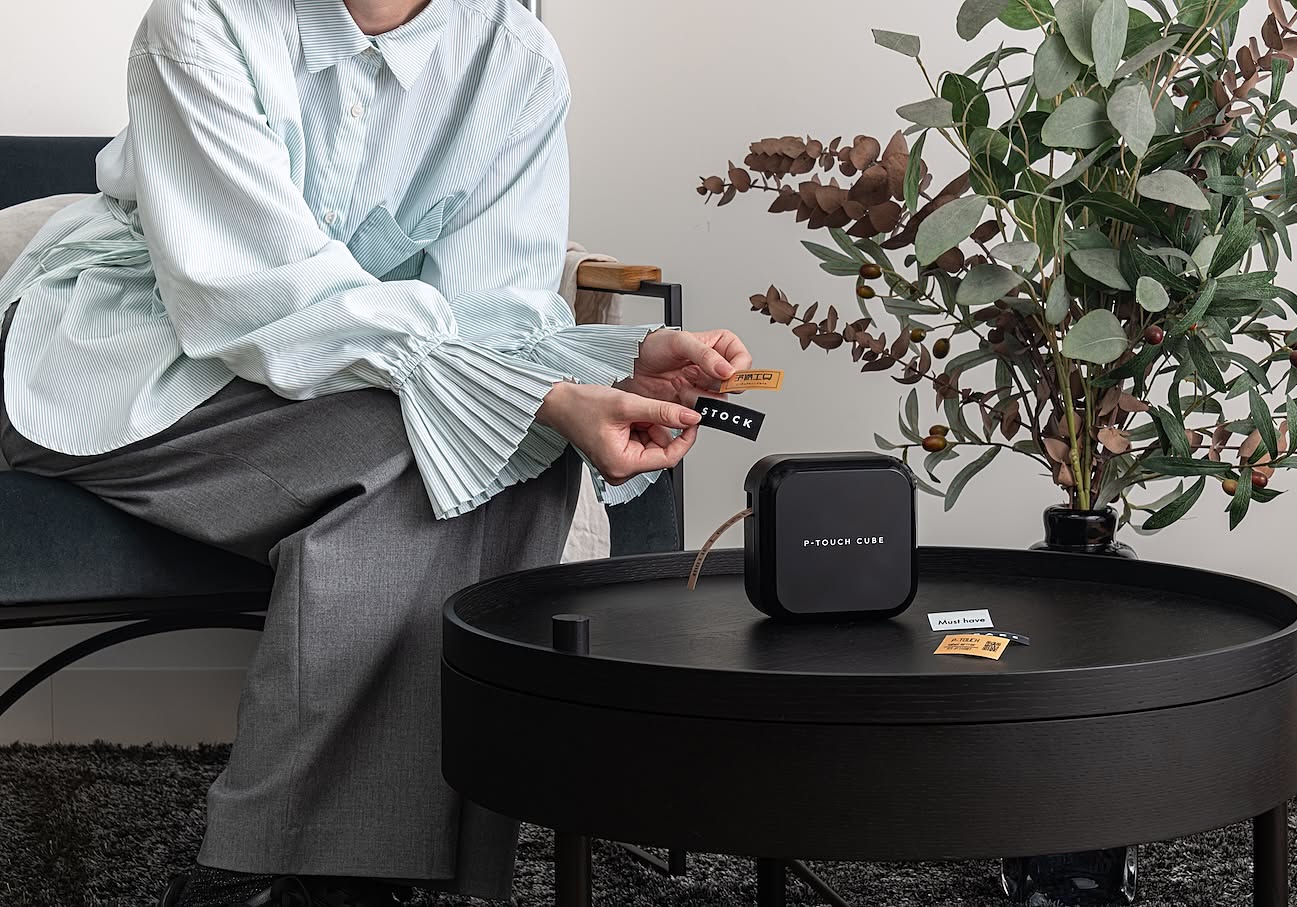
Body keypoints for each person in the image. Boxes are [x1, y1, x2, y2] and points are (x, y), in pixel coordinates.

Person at [0, 0, 749, 904]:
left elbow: (493, 314)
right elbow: (252, 291)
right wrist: (536, 395)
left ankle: (329, 877)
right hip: (131, 353)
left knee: (508, 437)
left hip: (356, 379)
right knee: (473, 430)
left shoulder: (512, 56)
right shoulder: (203, 22)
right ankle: (280, 872)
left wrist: (613, 362)